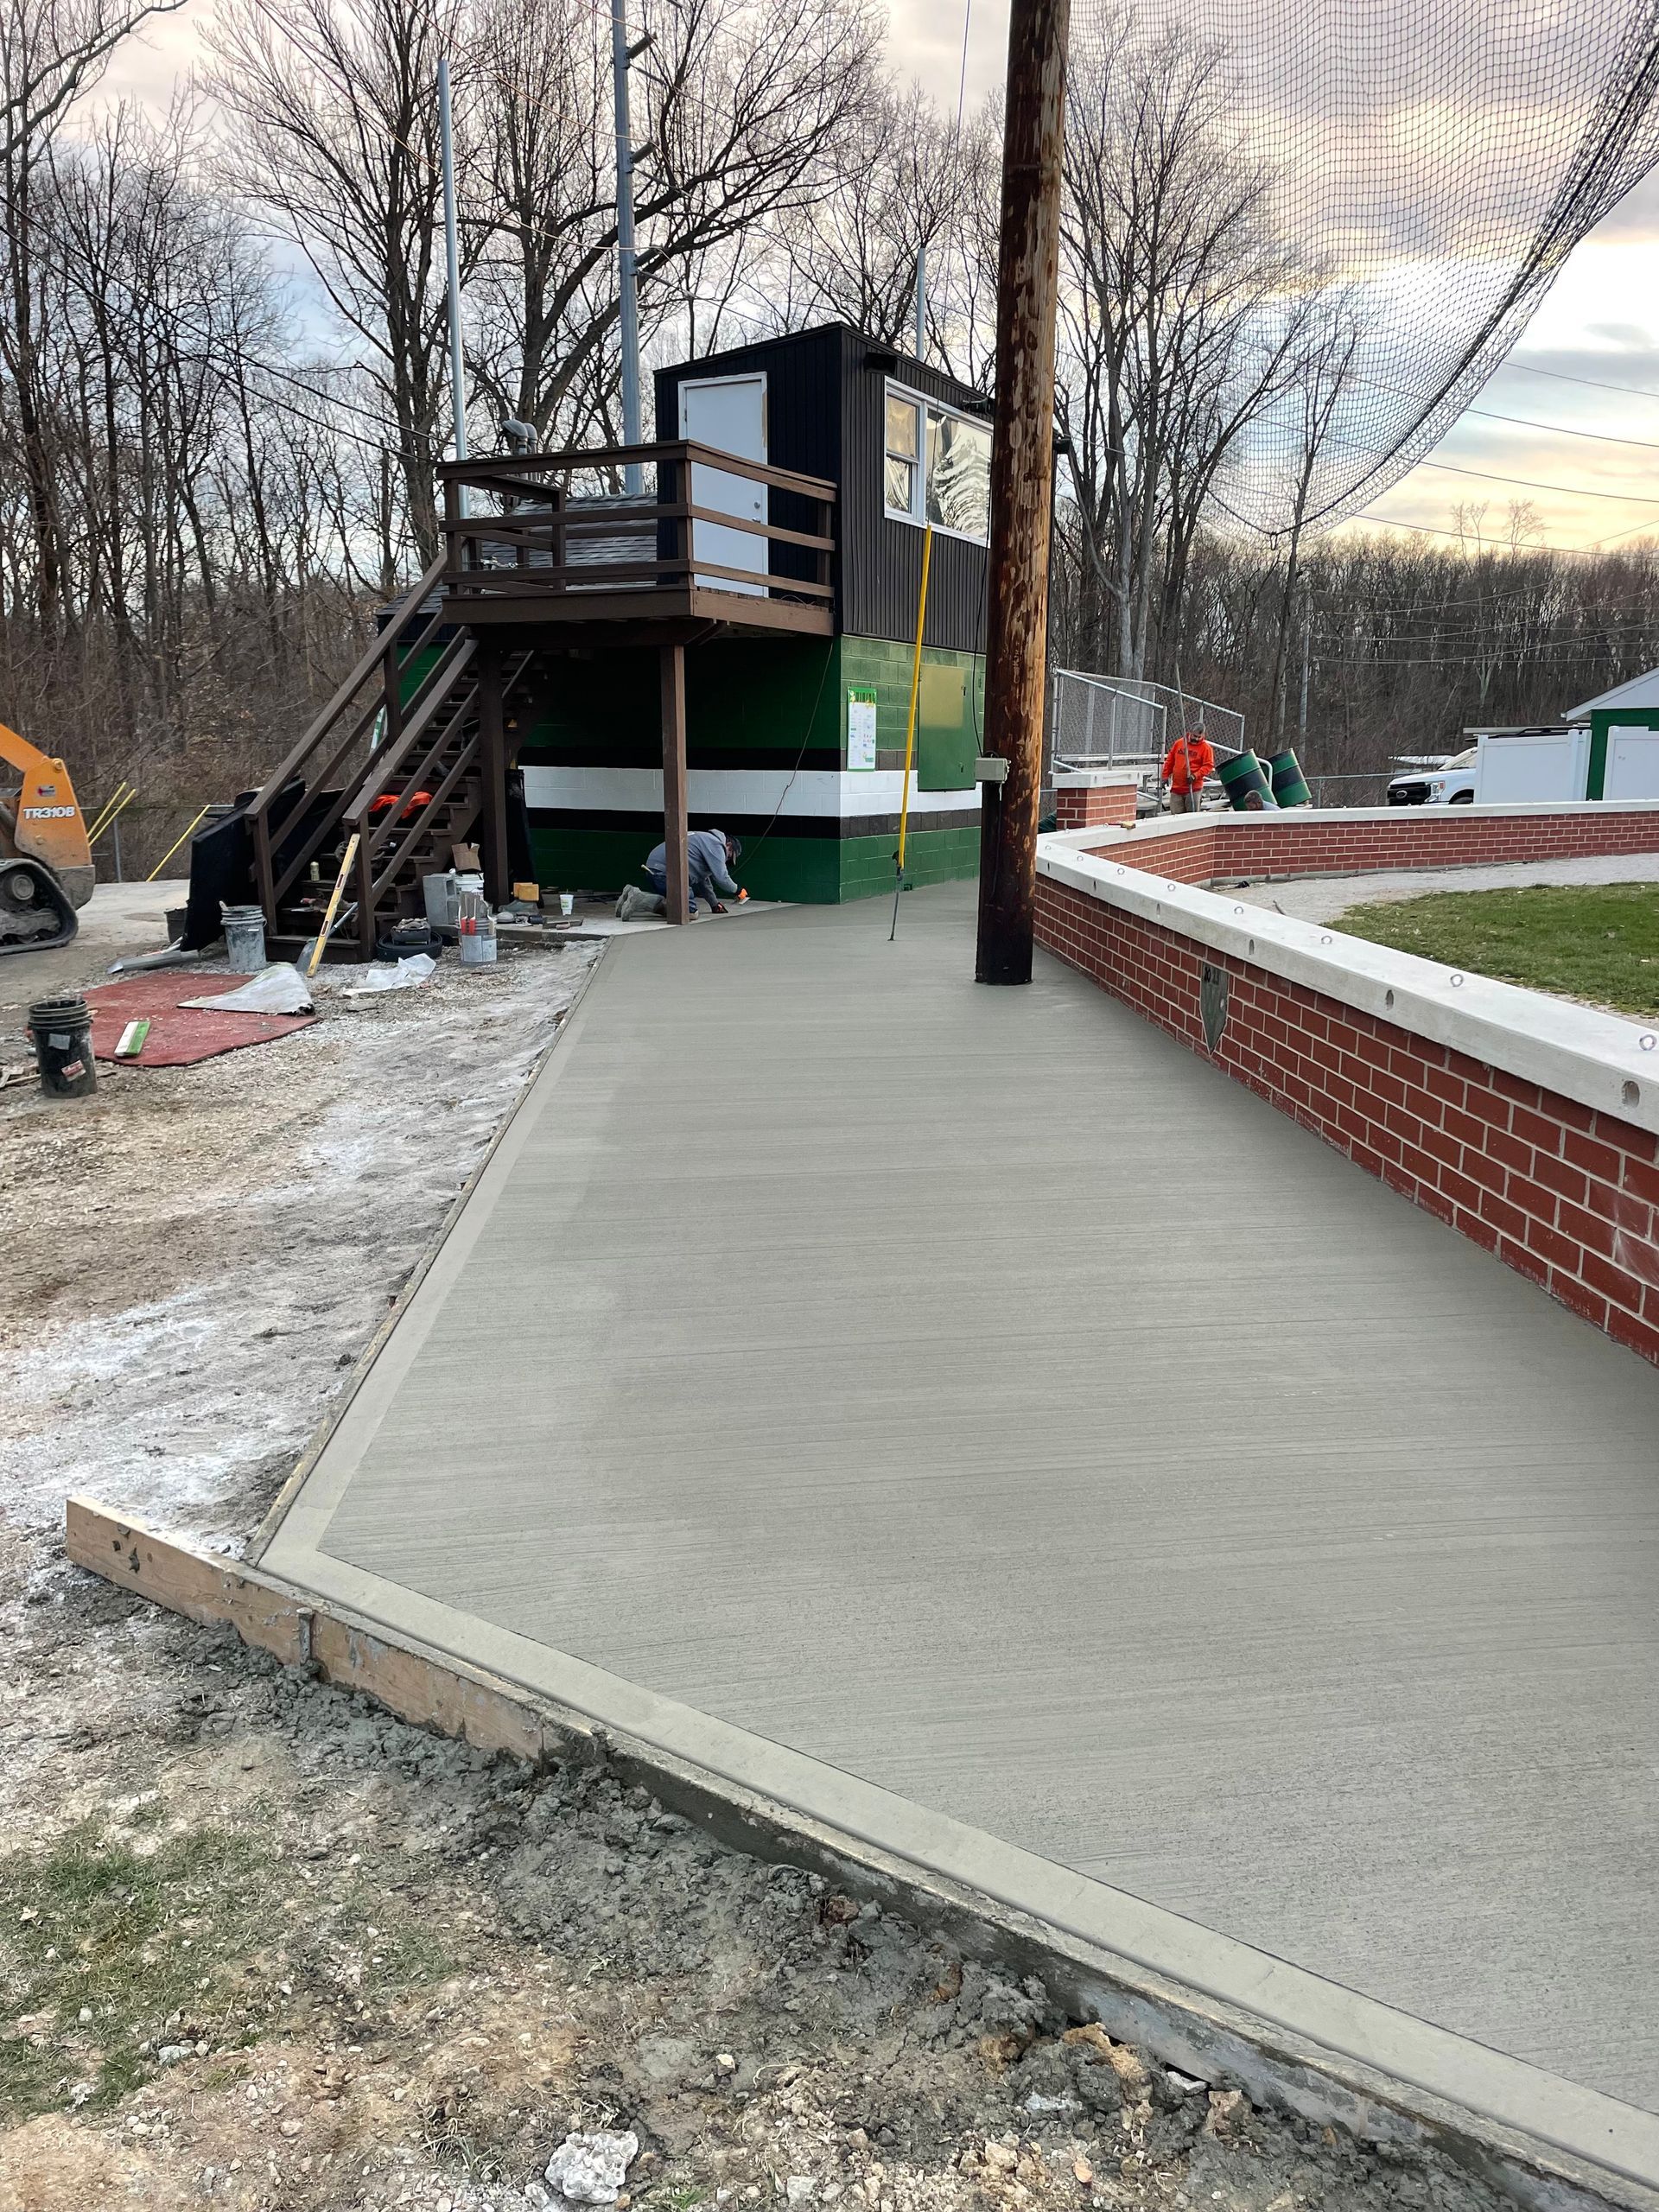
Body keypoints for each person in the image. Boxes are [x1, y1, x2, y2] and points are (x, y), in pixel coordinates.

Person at [615, 828, 743, 919]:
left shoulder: (704, 839)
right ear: (728, 845)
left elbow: (704, 881)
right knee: (689, 912)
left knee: (680, 901)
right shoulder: (717, 845)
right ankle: (639, 899)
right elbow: (721, 877)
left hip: (655, 870)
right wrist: (738, 891)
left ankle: (628, 894)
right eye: (729, 856)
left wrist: (714, 904)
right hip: (666, 873)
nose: (726, 860)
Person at [1160, 721, 1215, 813]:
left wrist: (1195, 776)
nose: (1196, 739)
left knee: (1191, 817)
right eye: (1194, 736)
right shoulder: (1179, 743)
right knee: (1175, 816)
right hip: (1177, 787)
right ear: (1190, 733)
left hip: (1193, 788)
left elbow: (1208, 766)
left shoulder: (1206, 748)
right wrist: (1165, 776)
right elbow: (1170, 761)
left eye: (1199, 737)